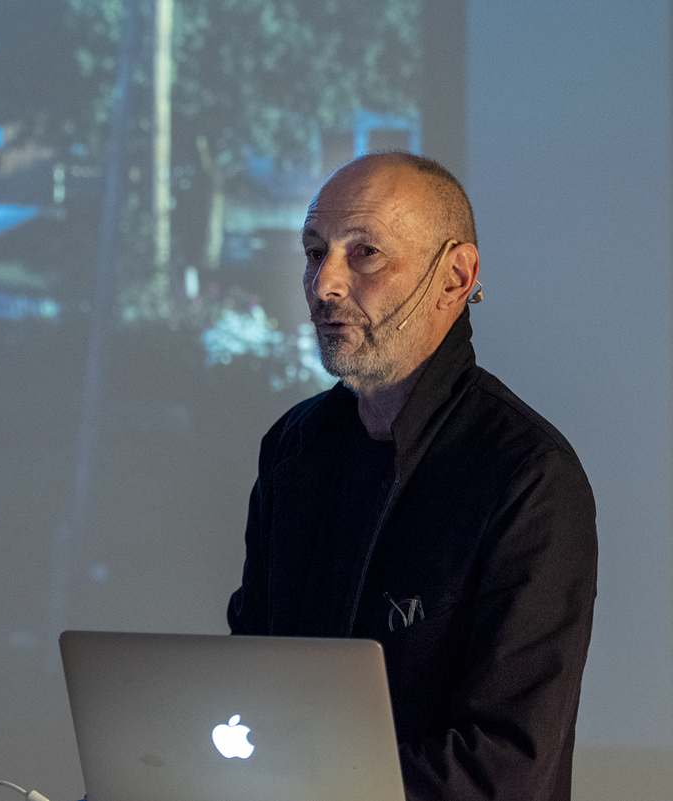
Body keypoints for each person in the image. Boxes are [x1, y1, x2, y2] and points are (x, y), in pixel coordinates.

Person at [227, 152, 597, 801]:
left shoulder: (529, 476)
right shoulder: (295, 447)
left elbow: (505, 766)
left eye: (365, 253)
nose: (323, 284)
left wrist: (306, 784)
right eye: (314, 252)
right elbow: (250, 682)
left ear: (455, 276)